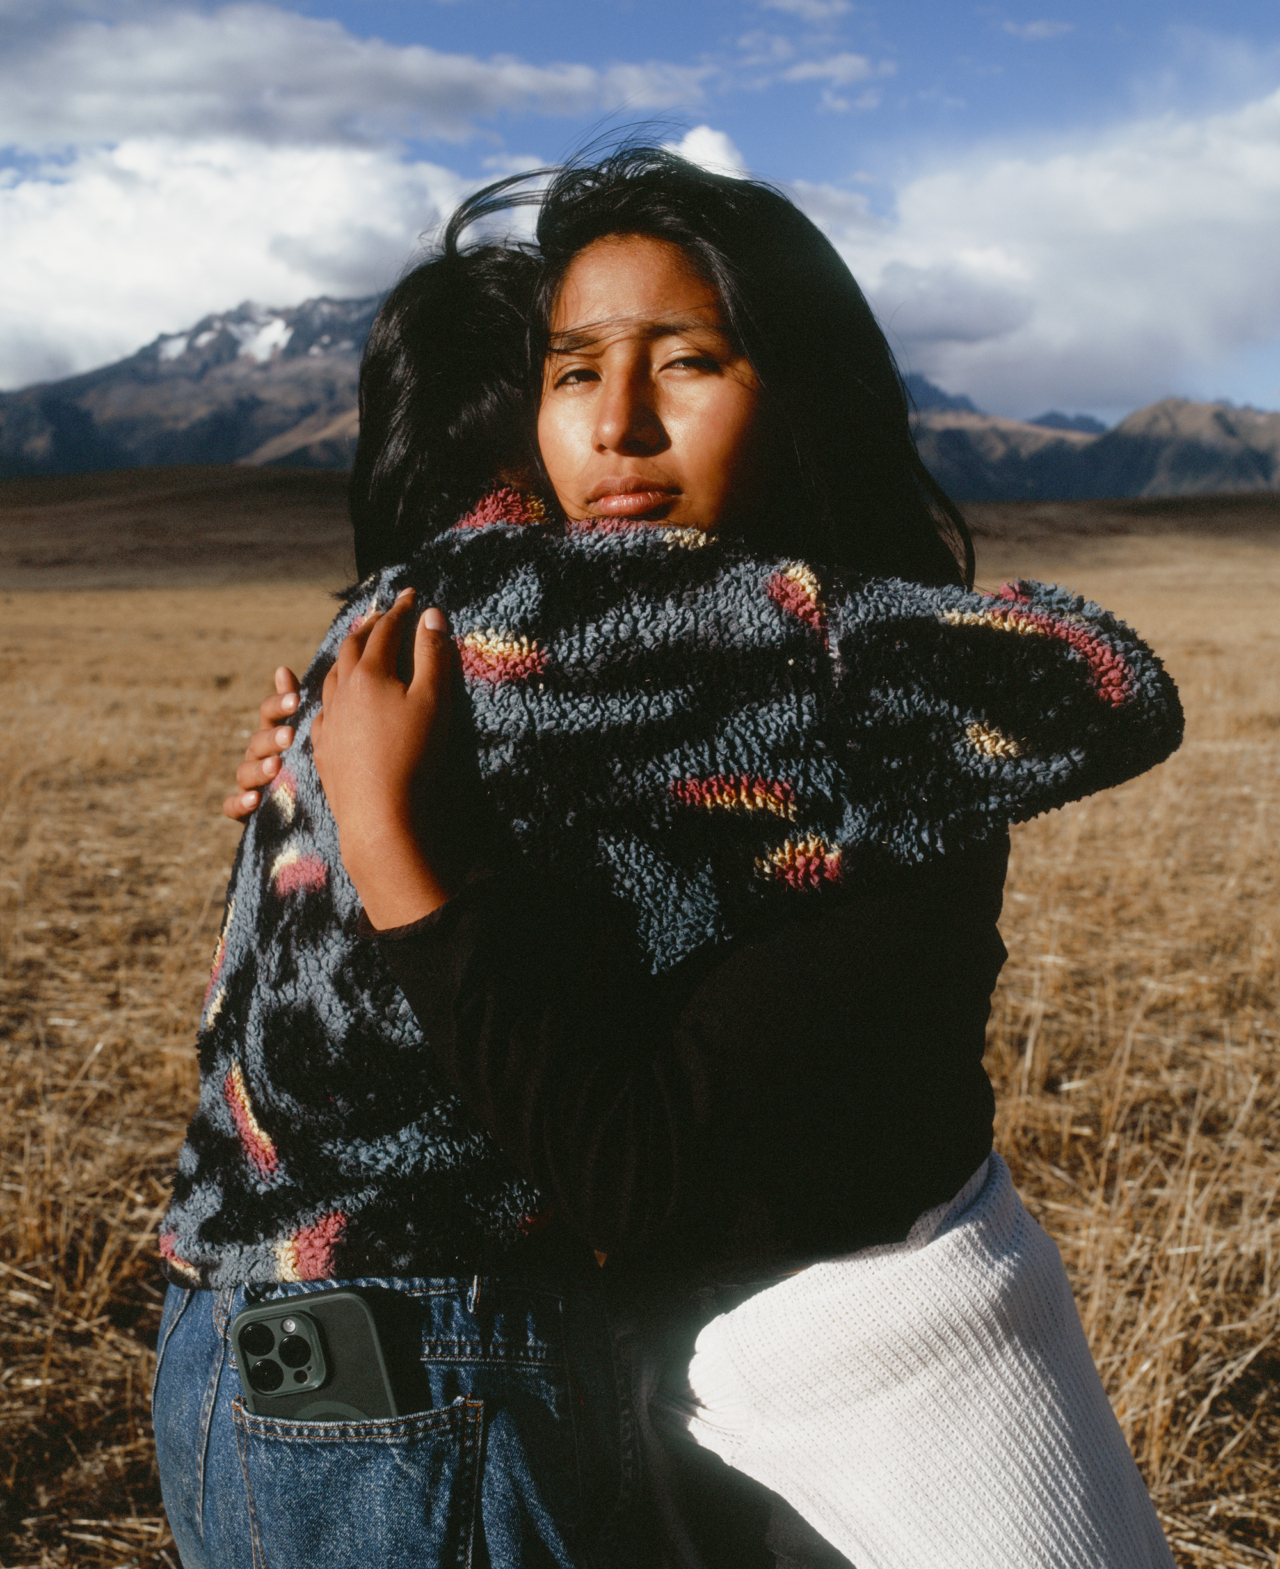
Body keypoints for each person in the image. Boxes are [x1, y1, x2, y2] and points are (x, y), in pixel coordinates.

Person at [157, 147, 1181, 1568]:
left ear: (798, 387)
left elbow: (628, 1165)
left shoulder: (872, 730)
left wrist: (388, 847)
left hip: (902, 1393)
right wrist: (331, 798)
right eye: (572, 372)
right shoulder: (592, 689)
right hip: (635, 1395)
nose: (618, 427)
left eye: (685, 362)